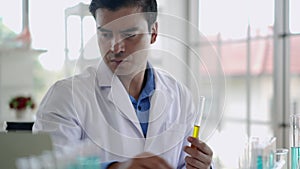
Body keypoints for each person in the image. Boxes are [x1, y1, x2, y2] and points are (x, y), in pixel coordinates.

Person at [33, 0, 214, 168]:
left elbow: (185, 163)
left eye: (129, 35)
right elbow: (49, 164)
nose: (115, 47)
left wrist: (202, 165)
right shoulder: (66, 96)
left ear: (154, 33)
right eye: (105, 34)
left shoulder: (179, 95)